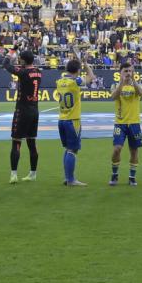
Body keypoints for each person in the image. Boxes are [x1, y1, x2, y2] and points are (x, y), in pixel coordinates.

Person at [57, 48, 95, 186]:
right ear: (77, 70)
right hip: (73, 120)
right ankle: (71, 179)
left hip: (61, 119)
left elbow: (72, 75)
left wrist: (79, 65)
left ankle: (67, 177)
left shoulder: (60, 81)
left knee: (67, 149)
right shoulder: (75, 82)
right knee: (73, 150)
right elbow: (91, 77)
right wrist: (86, 65)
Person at [4, 49, 42, 184]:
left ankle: (13, 174)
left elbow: (6, 65)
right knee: (32, 142)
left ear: (24, 61)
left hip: (22, 110)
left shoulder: (24, 72)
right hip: (34, 110)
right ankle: (33, 173)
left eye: (20, 59)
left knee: (16, 141)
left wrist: (11, 52)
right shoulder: (38, 72)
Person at [109, 62, 142, 187]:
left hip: (134, 123)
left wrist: (133, 81)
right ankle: (114, 174)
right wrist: (122, 83)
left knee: (134, 151)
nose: (128, 73)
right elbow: (113, 97)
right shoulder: (115, 85)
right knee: (117, 149)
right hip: (120, 123)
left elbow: (140, 93)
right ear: (120, 73)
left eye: (130, 71)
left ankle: (132, 177)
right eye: (126, 71)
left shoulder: (137, 85)